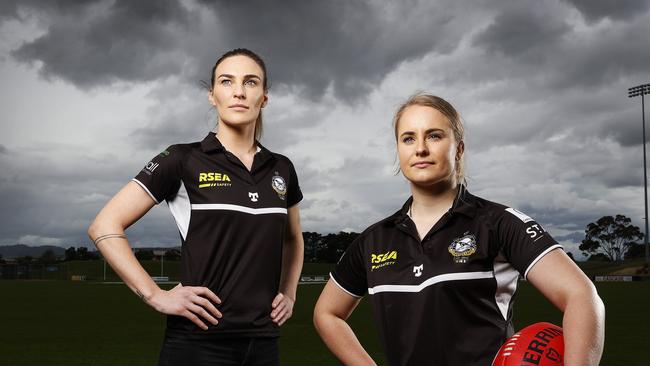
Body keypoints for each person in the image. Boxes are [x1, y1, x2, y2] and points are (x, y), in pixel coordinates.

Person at [313, 94, 605, 366]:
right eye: (408, 138)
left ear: (459, 147)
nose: (420, 148)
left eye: (434, 135)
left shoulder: (498, 223)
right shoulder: (373, 240)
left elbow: (580, 294)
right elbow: (327, 313)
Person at [88, 48, 304, 366]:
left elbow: (292, 238)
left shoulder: (282, 168)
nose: (239, 91)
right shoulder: (182, 158)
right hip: (197, 344)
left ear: (265, 97)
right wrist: (154, 295)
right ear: (212, 95)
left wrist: (289, 291)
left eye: (251, 82)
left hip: (263, 342)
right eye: (227, 81)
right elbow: (104, 226)